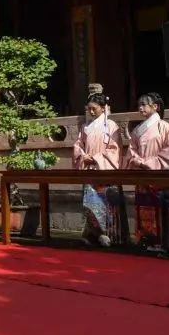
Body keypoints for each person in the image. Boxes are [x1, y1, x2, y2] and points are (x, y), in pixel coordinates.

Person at [124, 92, 169, 255]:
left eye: (144, 104)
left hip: (158, 175)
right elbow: (131, 151)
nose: (140, 107)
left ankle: (164, 243)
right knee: (144, 207)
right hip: (142, 175)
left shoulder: (165, 127)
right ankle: (146, 240)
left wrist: (146, 163)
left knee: (161, 208)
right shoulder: (137, 130)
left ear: (155, 107)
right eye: (139, 104)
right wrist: (135, 161)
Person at [72, 93, 124, 247]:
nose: (91, 112)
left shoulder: (112, 126)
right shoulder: (85, 127)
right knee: (90, 204)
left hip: (103, 170)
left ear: (103, 108)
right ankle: (92, 234)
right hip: (89, 169)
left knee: (107, 203)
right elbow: (77, 146)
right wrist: (83, 157)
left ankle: (109, 234)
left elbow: (115, 150)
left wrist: (96, 158)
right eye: (89, 109)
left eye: (94, 108)